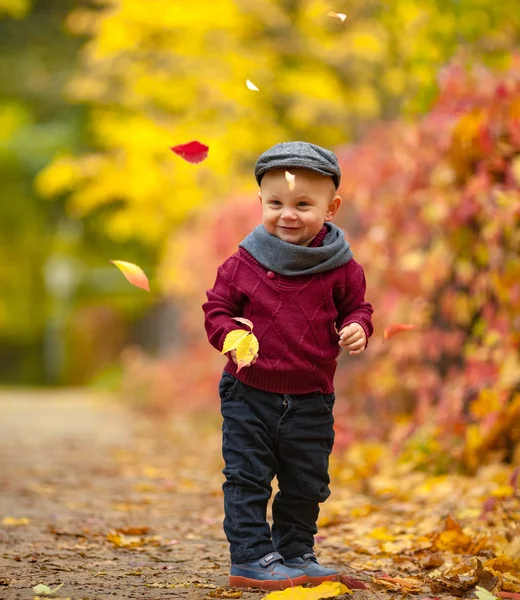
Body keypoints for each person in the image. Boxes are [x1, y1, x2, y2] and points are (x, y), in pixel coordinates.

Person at [202, 141, 374, 591]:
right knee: (248, 476)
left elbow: (358, 308)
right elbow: (216, 309)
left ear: (331, 207)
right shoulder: (243, 263)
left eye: (303, 204)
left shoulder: (341, 267)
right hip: (249, 391)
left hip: (311, 396)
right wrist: (228, 338)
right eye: (275, 203)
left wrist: (357, 326)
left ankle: (296, 552)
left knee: (306, 480)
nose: (287, 214)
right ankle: (252, 557)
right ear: (261, 202)